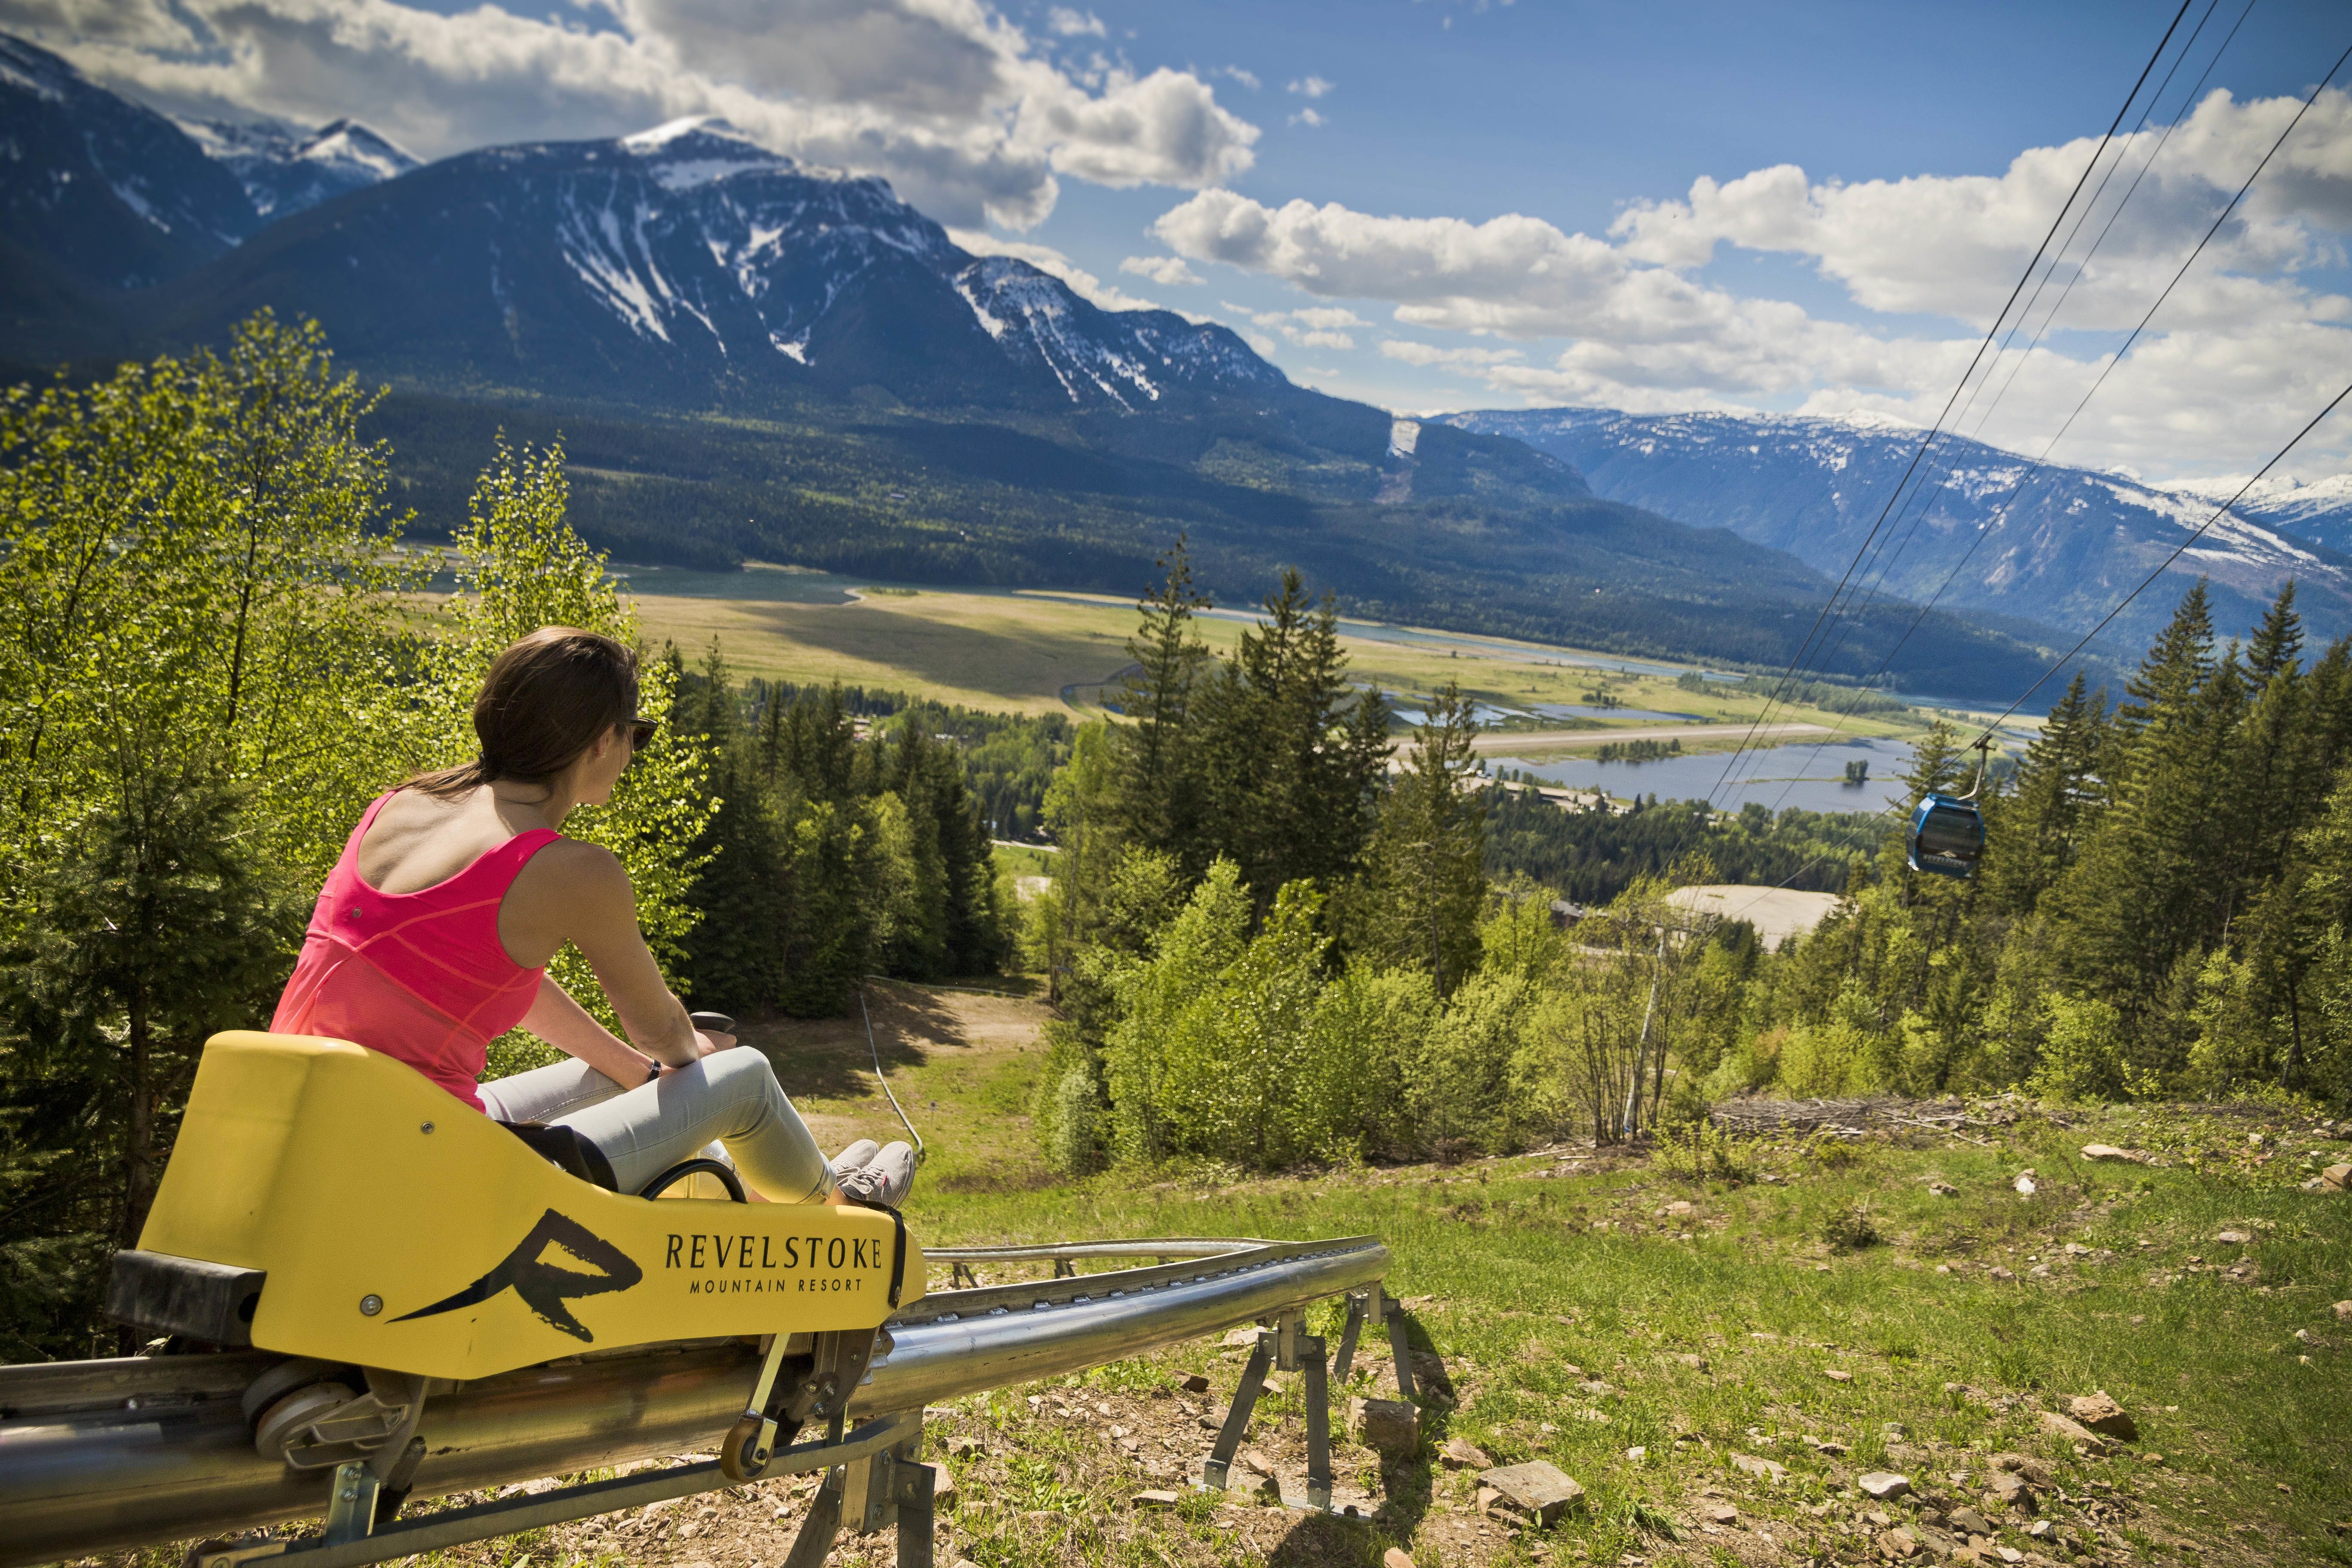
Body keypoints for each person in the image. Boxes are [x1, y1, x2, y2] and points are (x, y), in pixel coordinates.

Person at [269, 625, 914, 1207]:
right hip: (425, 1166)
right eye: (635, 733)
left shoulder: (401, 806)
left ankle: (795, 1184)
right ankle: (842, 1212)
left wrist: (639, 1071)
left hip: (312, 1126)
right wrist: (689, 1053)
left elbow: (486, 981)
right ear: (602, 740)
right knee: (742, 1076)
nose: (633, 751)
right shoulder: (571, 871)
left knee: (616, 1073)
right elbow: (661, 1031)